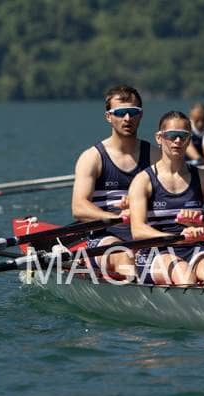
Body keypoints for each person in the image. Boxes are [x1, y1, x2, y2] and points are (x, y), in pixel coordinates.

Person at [129, 110, 204, 285]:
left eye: (183, 136)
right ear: (159, 138)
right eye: (171, 135)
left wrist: (203, 226)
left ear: (189, 140)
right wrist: (179, 237)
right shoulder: (143, 181)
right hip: (155, 254)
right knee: (184, 274)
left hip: (194, 251)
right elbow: (138, 231)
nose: (177, 140)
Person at [71, 85, 160, 276]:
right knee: (123, 255)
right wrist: (117, 218)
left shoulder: (156, 156)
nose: (127, 118)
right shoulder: (92, 158)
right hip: (105, 237)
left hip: (146, 233)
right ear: (108, 117)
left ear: (140, 115)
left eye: (133, 112)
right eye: (120, 113)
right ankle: (135, 289)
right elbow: (79, 208)